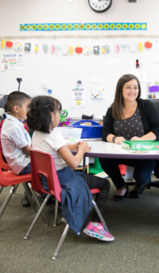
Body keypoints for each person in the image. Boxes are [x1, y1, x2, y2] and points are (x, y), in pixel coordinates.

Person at [27, 96, 114, 242]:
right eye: (58, 112)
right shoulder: (55, 135)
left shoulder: (37, 134)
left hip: (48, 182)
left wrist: (72, 147)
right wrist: (82, 150)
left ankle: (72, 213)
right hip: (64, 180)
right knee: (104, 184)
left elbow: (53, 148)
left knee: (82, 176)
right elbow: (74, 163)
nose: (60, 116)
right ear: (50, 115)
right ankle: (95, 224)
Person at [99, 74, 159, 200]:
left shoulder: (145, 105)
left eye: (135, 87)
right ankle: (121, 186)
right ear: (120, 90)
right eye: (128, 87)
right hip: (122, 151)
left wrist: (141, 139)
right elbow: (105, 133)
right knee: (104, 159)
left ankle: (138, 185)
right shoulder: (113, 109)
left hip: (144, 151)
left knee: (141, 176)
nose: (132, 91)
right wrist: (114, 138)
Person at [0, 91, 32, 207]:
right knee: (53, 166)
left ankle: (44, 195)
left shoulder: (14, 123)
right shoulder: (13, 127)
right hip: (23, 165)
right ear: (16, 108)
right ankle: (49, 197)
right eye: (27, 107)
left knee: (51, 163)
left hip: (21, 163)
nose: (29, 111)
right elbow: (27, 150)